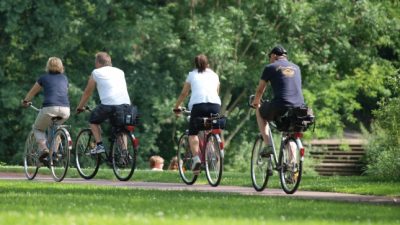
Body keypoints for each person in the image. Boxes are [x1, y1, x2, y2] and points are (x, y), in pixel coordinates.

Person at [251, 45, 305, 155]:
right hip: (300, 108)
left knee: (259, 111)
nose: (269, 59)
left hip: (281, 105)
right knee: (290, 134)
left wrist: (256, 102)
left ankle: (268, 146)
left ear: (274, 55)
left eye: (269, 57)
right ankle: (293, 168)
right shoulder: (297, 68)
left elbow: (260, 90)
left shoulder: (270, 67)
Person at [174, 54, 221, 175]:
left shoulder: (192, 74)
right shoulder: (214, 75)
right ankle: (214, 146)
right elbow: (216, 92)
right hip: (215, 104)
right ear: (208, 64)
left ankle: (196, 159)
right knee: (211, 127)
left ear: (195, 64)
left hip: (198, 105)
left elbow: (184, 93)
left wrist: (176, 106)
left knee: (192, 133)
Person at [76, 52, 131, 154]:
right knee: (121, 128)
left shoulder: (96, 72)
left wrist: (80, 107)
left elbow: (87, 93)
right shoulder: (120, 72)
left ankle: (99, 145)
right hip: (125, 105)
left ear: (98, 62)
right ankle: (124, 153)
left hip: (108, 105)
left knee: (93, 120)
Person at [22, 57, 70, 164]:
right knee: (57, 129)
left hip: (49, 108)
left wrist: (25, 101)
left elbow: (32, 93)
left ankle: (44, 149)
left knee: (38, 128)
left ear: (48, 66)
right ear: (61, 66)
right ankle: (54, 155)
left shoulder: (43, 78)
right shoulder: (65, 78)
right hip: (65, 110)